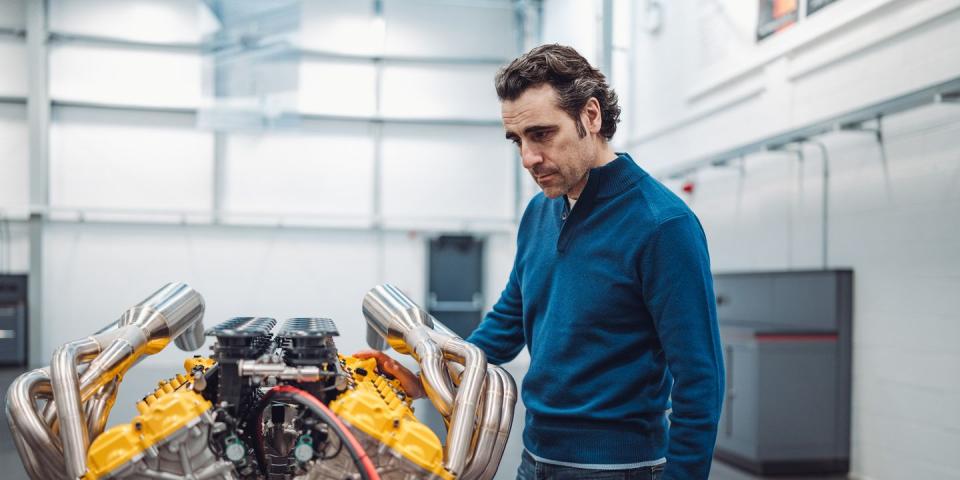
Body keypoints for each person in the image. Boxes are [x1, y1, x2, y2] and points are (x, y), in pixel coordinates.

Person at [357, 44, 723, 480]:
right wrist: (425, 376)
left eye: (542, 134)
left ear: (591, 116)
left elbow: (700, 380)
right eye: (518, 140)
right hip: (535, 459)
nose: (528, 157)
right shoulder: (540, 213)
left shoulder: (662, 225)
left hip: (619, 468)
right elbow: (508, 322)